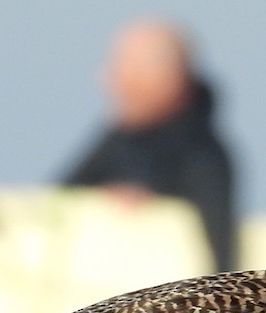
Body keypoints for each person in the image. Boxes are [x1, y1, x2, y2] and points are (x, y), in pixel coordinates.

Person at [60, 20, 237, 273]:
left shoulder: (205, 158)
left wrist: (151, 207)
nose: (107, 80)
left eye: (125, 70)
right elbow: (60, 196)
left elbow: (222, 262)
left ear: (165, 80)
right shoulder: (121, 136)